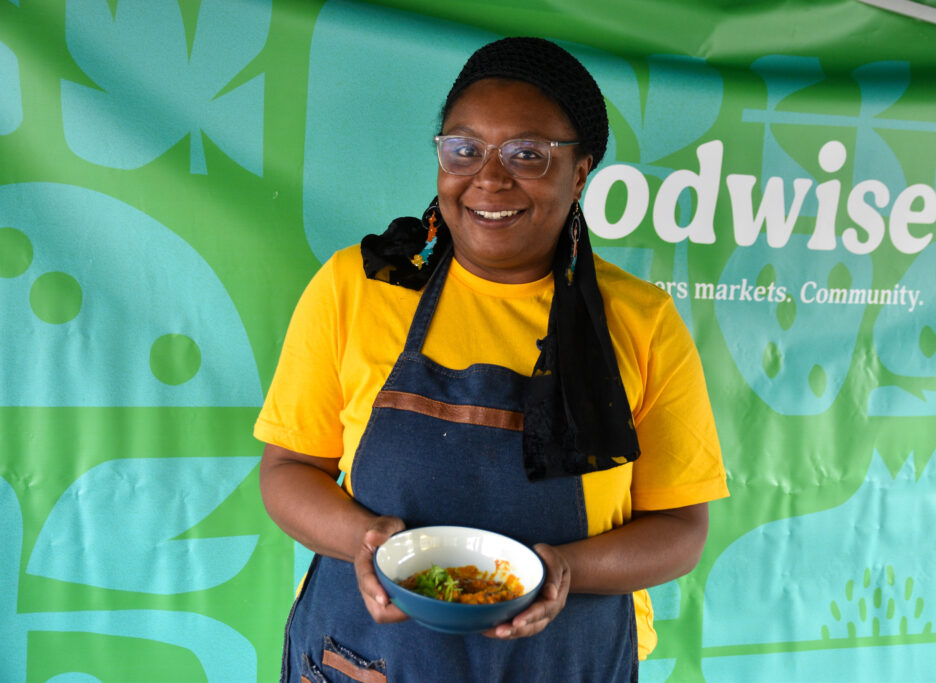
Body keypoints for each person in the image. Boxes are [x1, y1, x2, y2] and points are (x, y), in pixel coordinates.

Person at [255, 36, 728, 682]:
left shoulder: (640, 323)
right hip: (368, 656)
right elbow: (286, 469)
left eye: (527, 154)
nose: (489, 177)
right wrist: (364, 541)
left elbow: (681, 527)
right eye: (464, 149)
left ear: (581, 171)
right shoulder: (359, 288)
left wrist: (568, 570)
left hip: (563, 658)